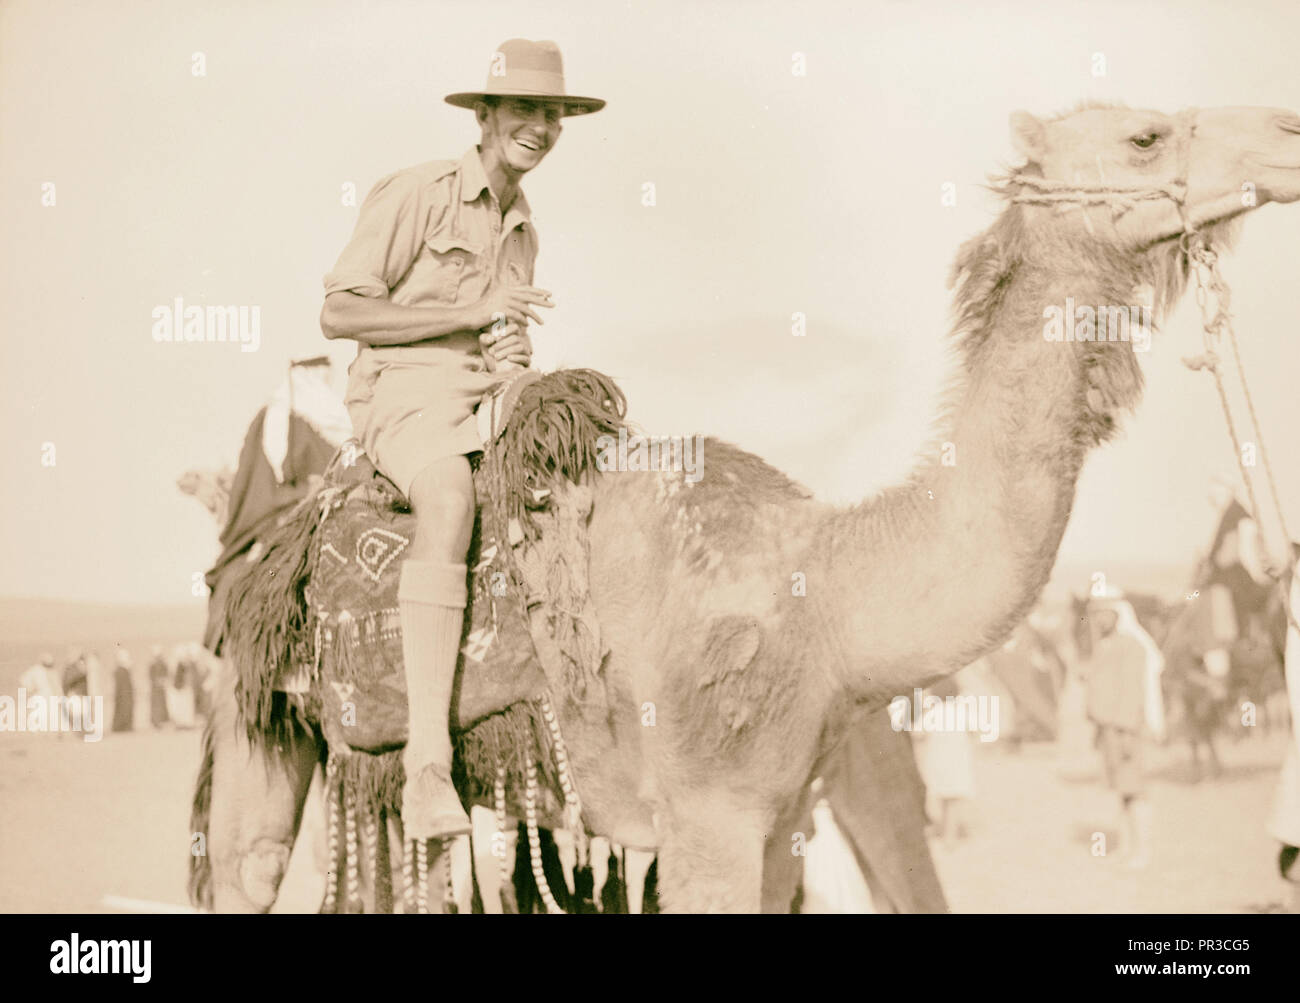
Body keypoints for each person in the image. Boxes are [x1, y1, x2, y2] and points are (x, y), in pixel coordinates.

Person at [319, 39, 604, 839]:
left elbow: (496, 337)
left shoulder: (524, 228)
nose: (540, 128)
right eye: (524, 111)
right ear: (484, 116)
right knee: (447, 496)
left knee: (584, 483)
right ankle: (426, 766)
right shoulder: (418, 193)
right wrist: (469, 316)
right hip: (403, 392)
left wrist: (514, 355)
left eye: (553, 114)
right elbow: (341, 311)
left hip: (484, 393)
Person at [1084, 600, 1154, 867]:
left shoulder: (1131, 646)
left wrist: (1126, 730)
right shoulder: (1104, 646)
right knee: (1121, 792)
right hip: (1108, 729)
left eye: (1105, 613)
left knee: (1135, 791)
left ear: (1118, 614)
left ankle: (1143, 850)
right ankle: (1126, 846)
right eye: (1096, 614)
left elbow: (1131, 691)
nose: (1100, 620)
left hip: (1124, 729)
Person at [111, 648, 135, 732]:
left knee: (123, 709)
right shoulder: (121, 671)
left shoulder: (121, 670)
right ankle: (123, 726)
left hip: (124, 694)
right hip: (124, 694)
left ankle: (123, 726)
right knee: (123, 710)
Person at [148, 645, 170, 729]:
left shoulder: (162, 664)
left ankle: (161, 721)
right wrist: (157, 681)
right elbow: (151, 676)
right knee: (156, 705)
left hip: (161, 688)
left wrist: (163, 681)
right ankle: (156, 722)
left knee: (161, 705)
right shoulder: (152, 665)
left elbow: (166, 673)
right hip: (155, 688)